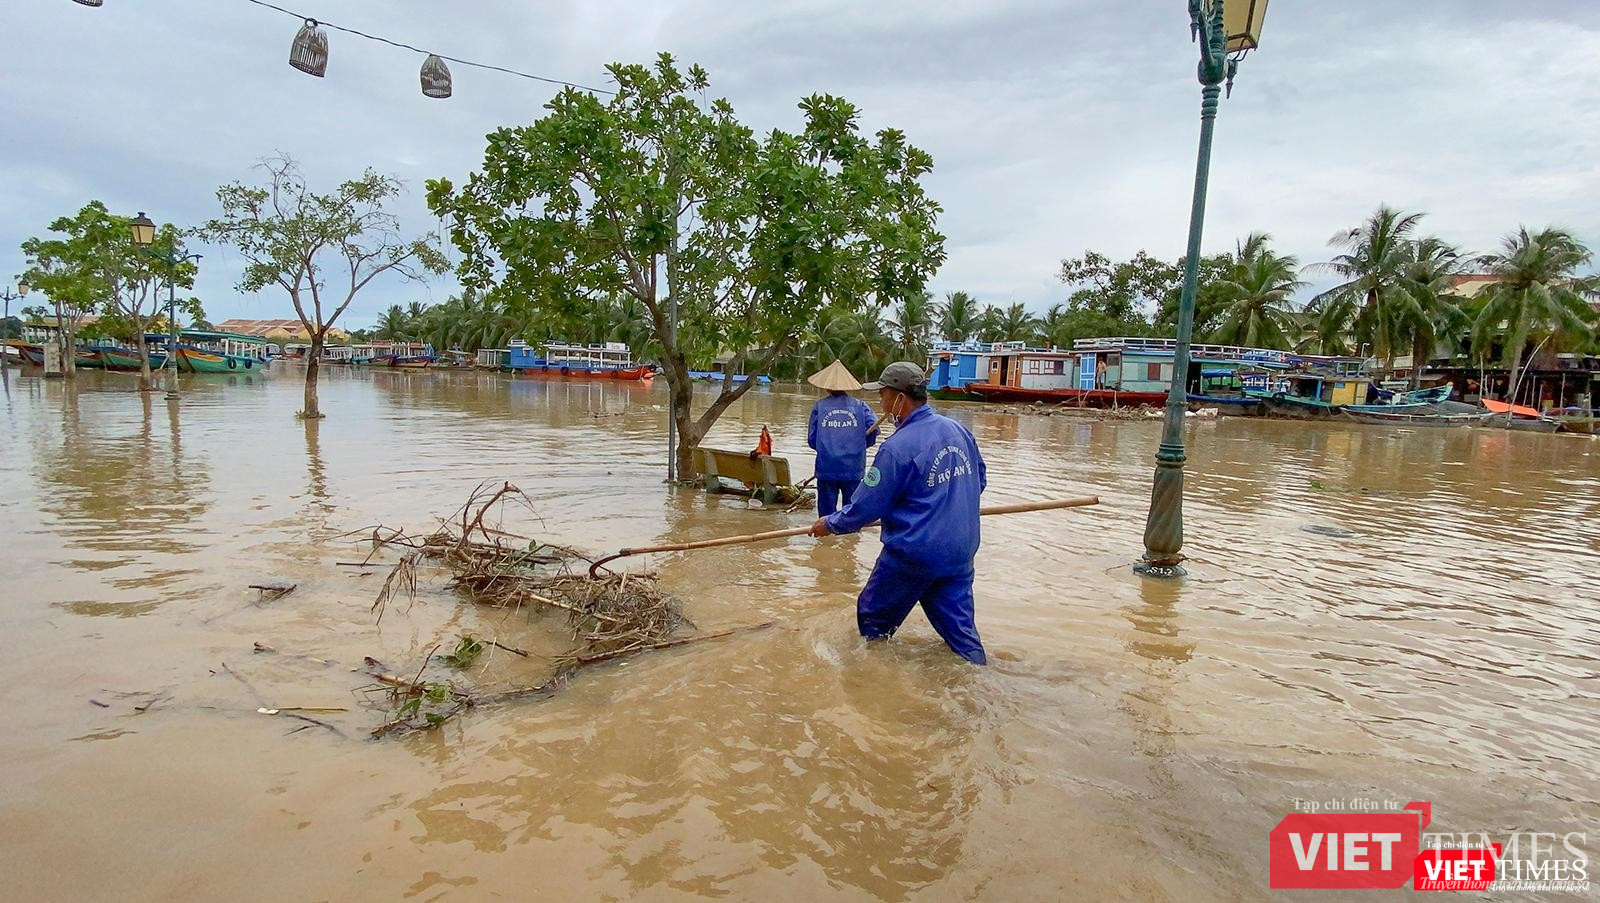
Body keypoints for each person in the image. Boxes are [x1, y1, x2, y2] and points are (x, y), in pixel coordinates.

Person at [810, 361, 988, 665]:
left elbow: (865, 507)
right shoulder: (959, 431)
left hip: (913, 555)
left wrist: (831, 523)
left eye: (883, 395)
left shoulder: (896, 448)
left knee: (872, 619)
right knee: (962, 637)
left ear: (900, 398)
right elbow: (979, 482)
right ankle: (979, 675)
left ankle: (871, 680)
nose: (881, 402)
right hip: (961, 551)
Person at [805, 360, 879, 517]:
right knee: (851, 514)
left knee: (826, 517)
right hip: (853, 468)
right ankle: (849, 533)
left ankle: (827, 534)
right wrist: (857, 447)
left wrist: (828, 450)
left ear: (826, 387)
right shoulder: (861, 406)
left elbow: (812, 440)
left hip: (827, 468)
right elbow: (874, 431)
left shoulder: (820, 407)